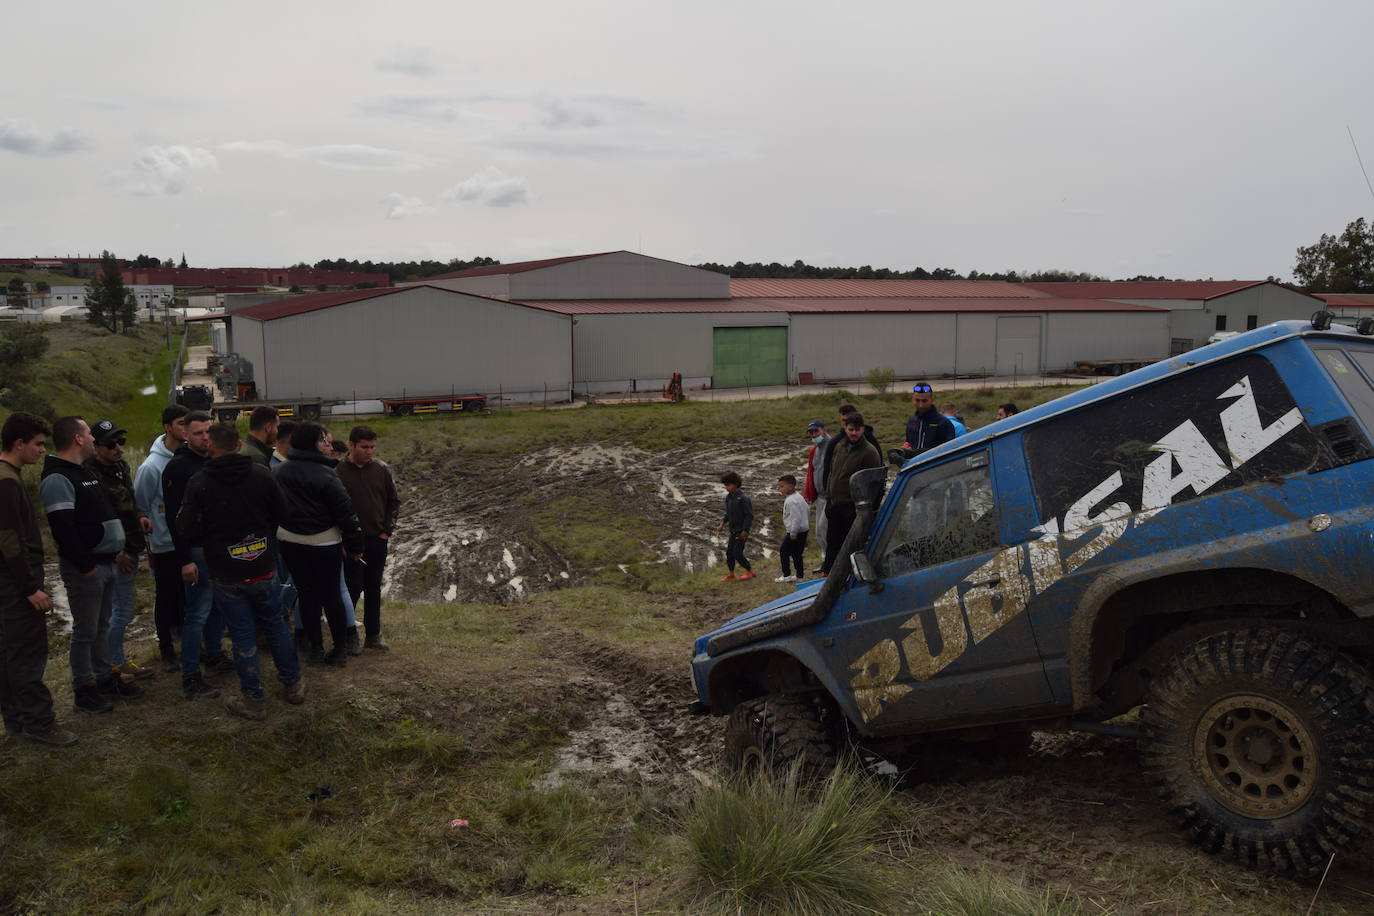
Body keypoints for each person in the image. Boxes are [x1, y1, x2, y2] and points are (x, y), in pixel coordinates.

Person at [178, 423, 304, 720]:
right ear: (238, 445)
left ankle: (254, 699)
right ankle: (293, 684)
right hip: (263, 566)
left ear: (211, 448)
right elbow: (285, 513)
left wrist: (210, 536)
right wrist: (262, 532)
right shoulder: (261, 475)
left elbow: (185, 529)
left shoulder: (200, 482)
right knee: (275, 625)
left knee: (242, 635)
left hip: (225, 572)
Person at [39, 417, 144, 713]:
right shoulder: (59, 477)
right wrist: (85, 566)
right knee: (85, 630)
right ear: (77, 439)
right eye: (87, 432)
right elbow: (64, 529)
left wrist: (114, 552)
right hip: (87, 568)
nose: (91, 436)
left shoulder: (81, 471)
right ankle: (84, 689)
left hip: (106, 562)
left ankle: (104, 677)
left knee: (101, 625)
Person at [0, 413, 76, 746]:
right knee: (27, 654)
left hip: (10, 583)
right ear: (19, 443)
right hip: (16, 585)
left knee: (9, 653)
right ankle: (40, 724)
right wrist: (30, 587)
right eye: (38, 444)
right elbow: (8, 540)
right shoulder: (6, 480)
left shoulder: (7, 475)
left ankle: (17, 721)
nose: (42, 450)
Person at [275, 422, 364, 666]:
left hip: (289, 540)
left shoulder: (281, 471)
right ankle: (339, 650)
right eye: (324, 440)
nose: (328, 445)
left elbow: (272, 506)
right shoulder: (327, 475)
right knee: (331, 595)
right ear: (313, 444)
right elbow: (346, 514)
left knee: (306, 594)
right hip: (324, 542)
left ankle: (315, 648)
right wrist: (356, 548)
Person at [162, 410, 232, 700]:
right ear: (185, 435)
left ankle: (214, 654)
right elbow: (174, 519)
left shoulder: (214, 461)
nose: (206, 437)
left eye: (208, 431)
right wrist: (185, 559)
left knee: (217, 606)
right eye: (199, 433)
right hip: (197, 550)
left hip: (219, 548)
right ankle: (191, 675)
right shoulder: (178, 468)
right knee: (197, 613)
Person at [85, 420, 155, 681]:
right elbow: (97, 519)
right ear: (96, 446)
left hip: (132, 545)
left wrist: (139, 516)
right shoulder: (90, 475)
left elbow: (129, 501)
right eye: (111, 444)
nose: (118, 448)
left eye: (121, 442)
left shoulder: (121, 468)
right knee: (120, 611)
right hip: (116, 553)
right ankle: (111, 665)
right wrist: (117, 552)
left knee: (119, 610)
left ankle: (114, 661)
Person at [133, 404, 189, 672]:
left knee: (190, 596)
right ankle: (166, 648)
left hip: (189, 542)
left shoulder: (190, 457)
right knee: (166, 596)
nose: (186, 429)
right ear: (168, 427)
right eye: (181, 424)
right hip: (164, 544)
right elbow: (141, 505)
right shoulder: (151, 467)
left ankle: (190, 643)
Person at [337, 425, 400, 653]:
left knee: (373, 588)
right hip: (349, 542)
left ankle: (373, 635)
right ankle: (347, 635)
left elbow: (394, 503)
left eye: (372, 447)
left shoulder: (381, 469)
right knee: (351, 588)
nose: (369, 451)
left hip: (377, 539)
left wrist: (386, 532)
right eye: (364, 447)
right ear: (351, 445)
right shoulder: (338, 472)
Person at [823, 412, 883, 575]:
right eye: (851, 429)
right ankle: (827, 575)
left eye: (857, 430)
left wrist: (866, 509)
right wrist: (829, 499)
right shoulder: (839, 446)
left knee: (851, 547)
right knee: (832, 543)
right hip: (835, 505)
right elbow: (832, 472)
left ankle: (851, 577)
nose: (854, 433)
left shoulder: (869, 452)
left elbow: (876, 484)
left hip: (852, 509)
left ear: (863, 429)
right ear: (845, 428)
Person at [893, 383, 956, 463]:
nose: (921, 405)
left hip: (934, 467)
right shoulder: (912, 421)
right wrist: (900, 452)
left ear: (932, 400)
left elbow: (949, 449)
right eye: (917, 400)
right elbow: (909, 443)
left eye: (924, 401)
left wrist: (915, 453)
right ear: (913, 399)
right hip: (913, 468)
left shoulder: (944, 423)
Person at [800, 420, 829, 573]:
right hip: (820, 498)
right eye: (811, 432)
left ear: (824, 430)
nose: (813, 435)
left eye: (816, 431)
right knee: (819, 532)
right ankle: (825, 562)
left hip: (831, 497)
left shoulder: (832, 446)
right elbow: (812, 472)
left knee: (825, 529)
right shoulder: (815, 450)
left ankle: (830, 564)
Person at [715, 472, 755, 581]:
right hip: (732, 530)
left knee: (737, 553)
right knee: (729, 553)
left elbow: (749, 516)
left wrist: (745, 530)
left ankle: (750, 572)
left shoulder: (743, 498)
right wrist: (722, 524)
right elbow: (728, 514)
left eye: (728, 485)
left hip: (741, 531)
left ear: (736, 484)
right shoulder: (729, 497)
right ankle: (731, 574)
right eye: (725, 485)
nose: (726, 488)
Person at [775, 474, 808, 583]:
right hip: (803, 530)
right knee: (796, 553)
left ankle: (786, 575)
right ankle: (800, 577)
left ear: (791, 486)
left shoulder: (790, 500)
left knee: (783, 551)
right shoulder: (799, 496)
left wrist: (793, 533)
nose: (779, 489)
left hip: (795, 532)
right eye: (779, 486)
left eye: (781, 486)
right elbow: (807, 509)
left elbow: (796, 518)